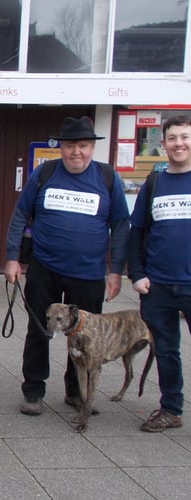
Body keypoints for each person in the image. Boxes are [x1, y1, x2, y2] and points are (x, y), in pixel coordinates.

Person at [4, 116, 129, 416]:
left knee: (85, 336)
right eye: (71, 145)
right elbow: (21, 214)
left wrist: (116, 271)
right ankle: (33, 390)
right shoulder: (44, 173)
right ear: (61, 148)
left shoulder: (108, 178)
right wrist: (12, 257)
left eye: (83, 146)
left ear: (91, 147)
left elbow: (121, 226)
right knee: (39, 330)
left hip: (88, 274)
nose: (77, 152)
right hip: (44, 269)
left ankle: (76, 391)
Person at [128, 114, 191, 432]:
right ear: (163, 143)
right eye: (173, 138)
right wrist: (136, 274)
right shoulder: (154, 183)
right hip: (159, 286)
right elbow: (136, 232)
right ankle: (171, 409)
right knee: (166, 350)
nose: (179, 143)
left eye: (185, 137)